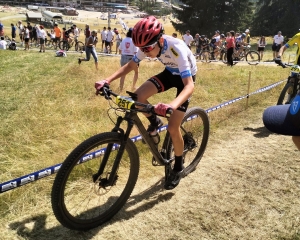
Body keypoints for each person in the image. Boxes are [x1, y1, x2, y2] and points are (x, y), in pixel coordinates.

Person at [95, 16, 197, 190]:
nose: (145, 52)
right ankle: (154, 121)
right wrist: (107, 80)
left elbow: (189, 86)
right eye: (142, 48)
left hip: (185, 79)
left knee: (173, 128)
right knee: (138, 96)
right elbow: (130, 66)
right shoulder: (147, 46)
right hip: (169, 73)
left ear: (160, 39)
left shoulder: (177, 49)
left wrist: (172, 105)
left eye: (148, 48)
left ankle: (178, 166)